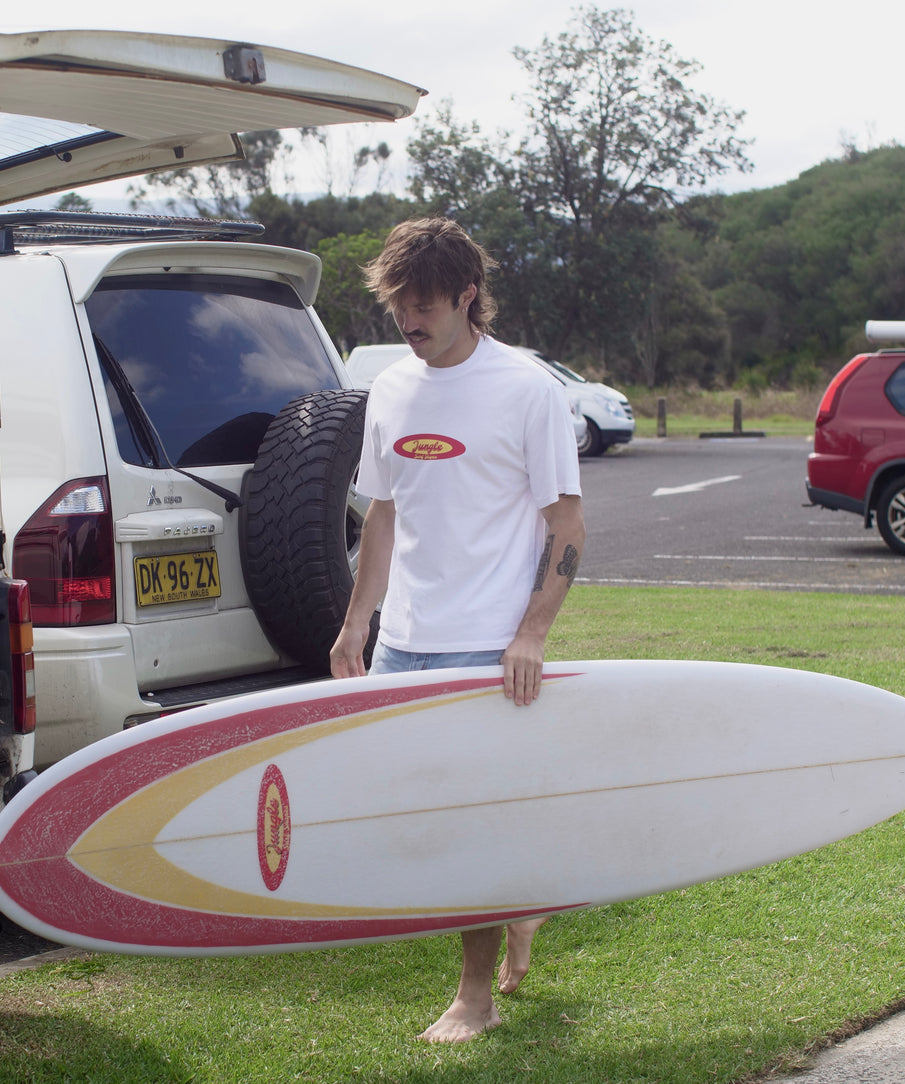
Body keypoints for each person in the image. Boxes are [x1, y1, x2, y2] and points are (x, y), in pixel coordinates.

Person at [329, 217, 586, 1042]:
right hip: (404, 638)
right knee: (412, 813)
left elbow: (567, 524)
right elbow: (381, 514)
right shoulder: (393, 390)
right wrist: (356, 620)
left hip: (486, 639)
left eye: (425, 303)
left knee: (459, 818)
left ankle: (472, 996)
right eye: (397, 302)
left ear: (467, 296)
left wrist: (531, 633)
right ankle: (520, 904)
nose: (408, 318)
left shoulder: (528, 389)